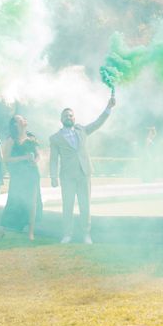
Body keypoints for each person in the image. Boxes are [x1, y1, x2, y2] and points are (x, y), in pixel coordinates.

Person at [49, 95, 116, 244]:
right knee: (67, 206)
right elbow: (53, 159)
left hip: (84, 173)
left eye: (71, 115)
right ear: (61, 119)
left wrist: (108, 108)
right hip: (67, 176)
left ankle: (86, 234)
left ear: (74, 118)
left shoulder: (82, 130)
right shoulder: (55, 138)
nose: (68, 117)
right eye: (65, 115)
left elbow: (98, 123)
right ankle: (67, 234)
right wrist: (53, 176)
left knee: (85, 205)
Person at [0, 115, 43, 240]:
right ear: (15, 124)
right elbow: (6, 159)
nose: (24, 119)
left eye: (24, 118)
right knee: (13, 201)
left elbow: (38, 155)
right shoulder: (12, 140)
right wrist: (24, 158)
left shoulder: (32, 138)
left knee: (33, 203)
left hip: (33, 174)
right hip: (19, 176)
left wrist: (35, 160)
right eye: (20, 119)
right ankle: (1, 229)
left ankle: (30, 233)